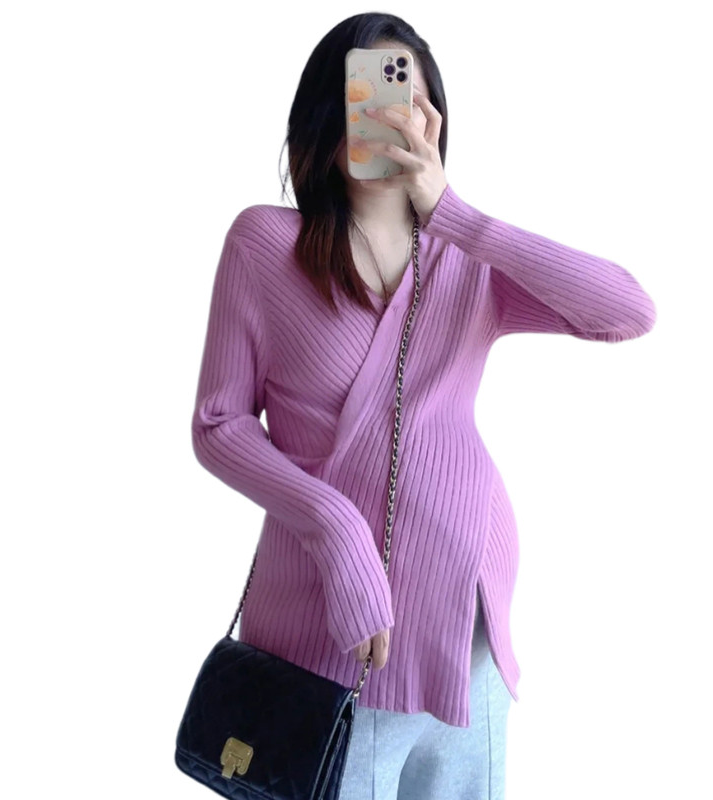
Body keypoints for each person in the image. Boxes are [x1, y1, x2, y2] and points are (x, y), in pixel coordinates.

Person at [190, 12, 657, 800]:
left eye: (405, 94)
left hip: (464, 621)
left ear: (433, 117)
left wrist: (454, 213)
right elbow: (218, 425)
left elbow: (627, 312)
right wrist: (337, 530)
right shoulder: (265, 244)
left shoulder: (470, 260)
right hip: (326, 629)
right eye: (366, 90)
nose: (387, 112)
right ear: (326, 111)